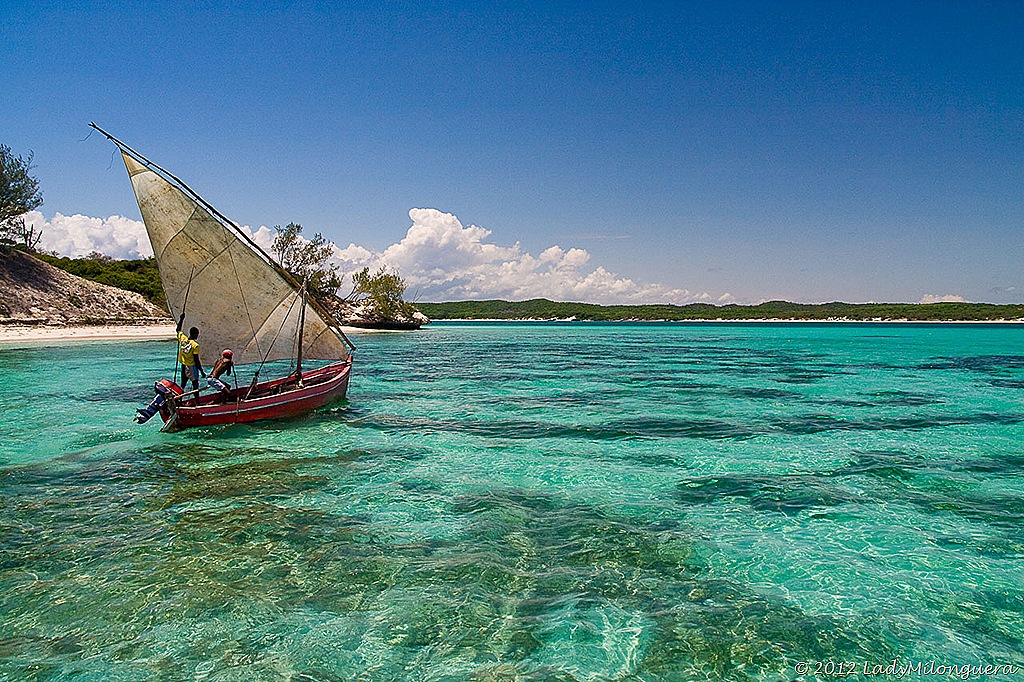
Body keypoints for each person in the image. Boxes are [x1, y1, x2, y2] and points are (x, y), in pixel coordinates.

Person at [176, 312, 205, 391]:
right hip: (191, 366)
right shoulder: (195, 345)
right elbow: (196, 360)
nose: (197, 335)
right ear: (195, 334)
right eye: (197, 334)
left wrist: (181, 319)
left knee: (183, 384)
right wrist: (201, 371)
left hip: (183, 365)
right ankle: (197, 402)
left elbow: (178, 329)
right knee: (195, 385)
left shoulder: (183, 339)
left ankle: (179, 400)